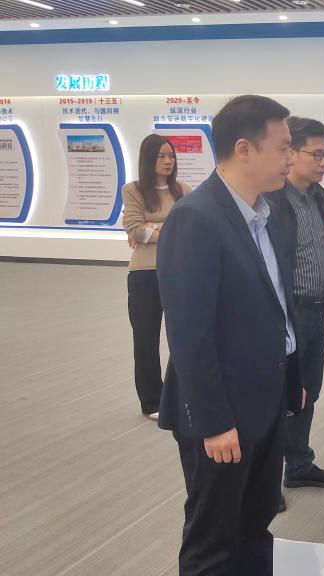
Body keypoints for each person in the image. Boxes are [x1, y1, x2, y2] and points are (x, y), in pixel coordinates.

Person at [157, 94, 306, 576]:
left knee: (255, 525)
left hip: (265, 402)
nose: (291, 158)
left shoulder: (269, 212)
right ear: (244, 148)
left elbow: (278, 305)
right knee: (214, 540)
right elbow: (188, 333)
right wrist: (214, 422)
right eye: (283, 147)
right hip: (221, 413)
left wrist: (292, 378)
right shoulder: (195, 218)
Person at [265, 117, 324, 514]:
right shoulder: (273, 201)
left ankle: (299, 465)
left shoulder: (320, 198)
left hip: (317, 308)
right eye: (317, 154)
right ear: (291, 153)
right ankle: (266, 479)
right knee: (277, 398)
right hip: (288, 311)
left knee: (307, 390)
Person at [121, 134, 191, 420]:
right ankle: (151, 401)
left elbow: (190, 227)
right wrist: (167, 229)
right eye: (161, 156)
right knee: (146, 340)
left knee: (184, 337)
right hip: (144, 274)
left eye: (171, 156)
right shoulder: (133, 190)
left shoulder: (183, 190)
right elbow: (134, 228)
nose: (167, 161)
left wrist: (153, 228)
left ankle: (183, 395)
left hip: (179, 270)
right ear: (148, 160)